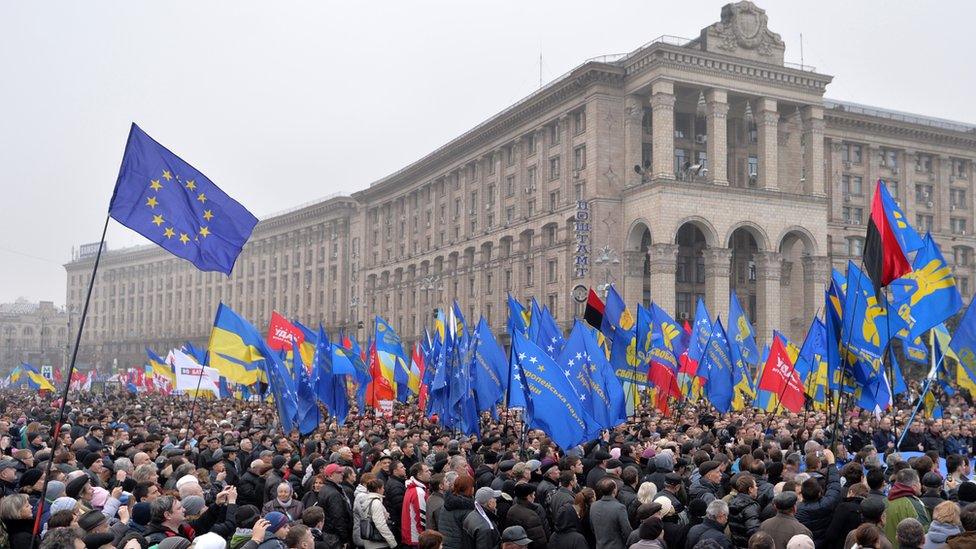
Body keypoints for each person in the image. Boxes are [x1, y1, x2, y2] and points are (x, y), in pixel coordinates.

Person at [795, 449, 841, 547]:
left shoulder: (797, 510)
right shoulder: (827, 503)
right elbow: (834, 486)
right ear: (820, 493)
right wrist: (832, 463)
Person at [884, 469, 931, 544]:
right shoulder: (915, 504)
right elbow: (924, 531)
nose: (920, 484)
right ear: (914, 486)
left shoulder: (885, 501)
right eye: (919, 482)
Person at [352, 478, 396, 549]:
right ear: (378, 489)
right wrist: (392, 541)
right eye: (382, 488)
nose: (384, 490)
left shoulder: (367, 500)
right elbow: (380, 524)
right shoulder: (376, 502)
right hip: (378, 543)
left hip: (369, 543)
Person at [590, 476, 632, 549]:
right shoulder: (619, 508)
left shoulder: (594, 506)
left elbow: (592, 528)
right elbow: (627, 531)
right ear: (614, 490)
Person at [318, 463, 353, 548]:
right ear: (330, 476)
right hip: (335, 536)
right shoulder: (334, 494)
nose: (342, 474)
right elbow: (338, 518)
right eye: (339, 472)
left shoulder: (325, 488)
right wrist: (344, 539)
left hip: (329, 533)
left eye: (342, 472)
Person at [505, 483, 549, 549]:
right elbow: (539, 542)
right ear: (528, 496)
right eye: (533, 494)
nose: (534, 497)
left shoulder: (511, 510)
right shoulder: (531, 517)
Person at [438, 474, 476, 549]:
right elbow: (467, 536)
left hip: (445, 544)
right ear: (468, 488)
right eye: (472, 486)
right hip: (459, 545)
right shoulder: (466, 509)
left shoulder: (446, 504)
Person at [729, 473, 763, 548]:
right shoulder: (750, 506)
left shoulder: (733, 502)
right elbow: (754, 530)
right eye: (755, 486)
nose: (757, 488)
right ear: (750, 489)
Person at [402, 462, 430, 548]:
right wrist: (425, 535)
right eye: (427, 471)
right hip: (416, 538)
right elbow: (422, 517)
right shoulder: (418, 492)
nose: (430, 473)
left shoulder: (413, 488)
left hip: (412, 535)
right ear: (419, 475)